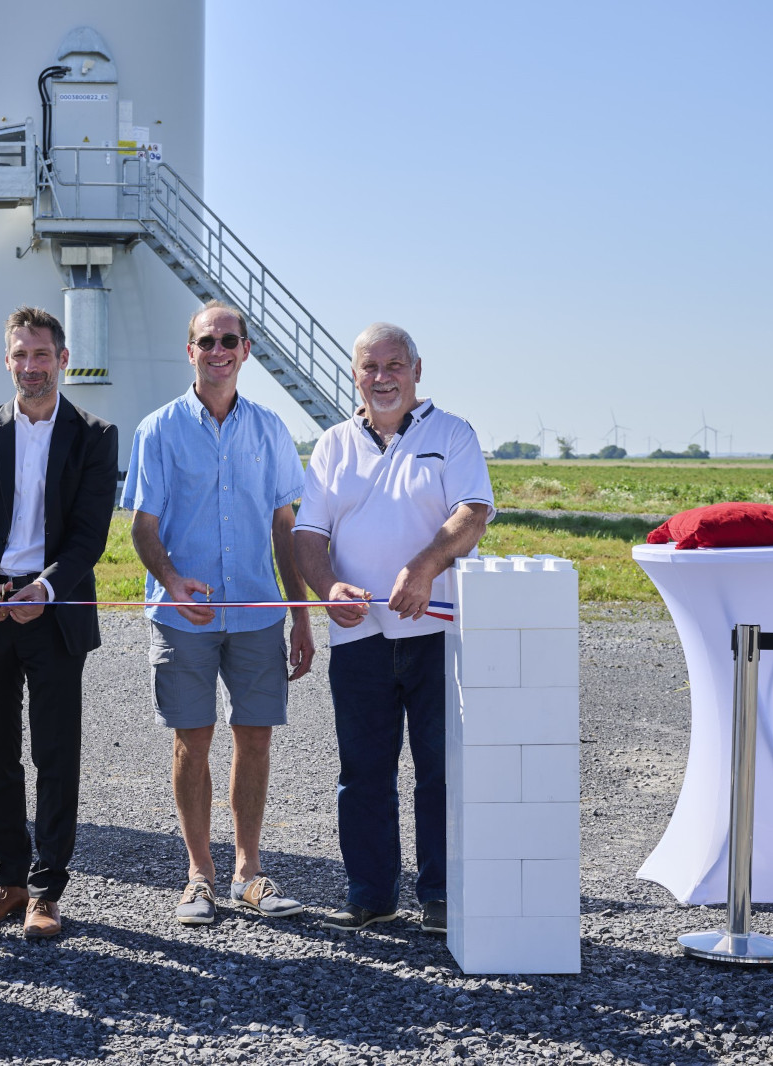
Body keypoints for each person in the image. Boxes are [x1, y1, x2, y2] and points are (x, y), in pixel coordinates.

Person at [292, 322, 494, 934]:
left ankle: (439, 893)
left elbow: (473, 511)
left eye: (394, 365)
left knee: (439, 768)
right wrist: (327, 588)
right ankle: (371, 895)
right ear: (354, 375)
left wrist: (426, 566)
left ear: (417, 369)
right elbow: (308, 534)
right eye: (369, 368)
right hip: (358, 638)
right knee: (363, 773)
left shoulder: (452, 434)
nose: (382, 378)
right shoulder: (331, 445)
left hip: (435, 634)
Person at [122, 299, 315, 926]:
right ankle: (199, 876)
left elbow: (286, 530)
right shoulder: (158, 429)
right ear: (191, 351)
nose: (218, 350)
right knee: (192, 741)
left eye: (229, 340)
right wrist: (171, 580)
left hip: (259, 614)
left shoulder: (271, 429)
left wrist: (302, 617)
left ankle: (249, 872)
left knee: (255, 737)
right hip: (185, 618)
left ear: (245, 351)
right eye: (207, 341)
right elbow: (143, 526)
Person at [0, 305, 119, 939]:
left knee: (55, 754)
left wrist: (45, 588)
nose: (30, 366)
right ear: (7, 359)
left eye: (41, 354)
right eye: (19, 354)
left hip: (54, 612)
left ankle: (47, 891)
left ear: (63, 359)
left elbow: (89, 536)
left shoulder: (95, 435)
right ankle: (9, 881)